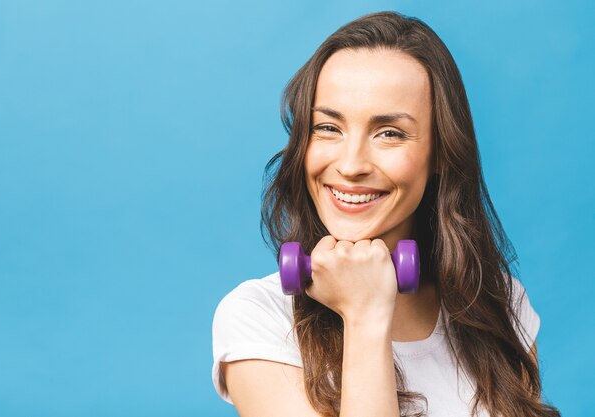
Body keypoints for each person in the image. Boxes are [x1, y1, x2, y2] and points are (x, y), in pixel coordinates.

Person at [211, 10, 561, 417]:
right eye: (327, 128)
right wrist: (364, 315)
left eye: (389, 133)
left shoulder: (502, 303)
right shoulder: (257, 317)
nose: (352, 164)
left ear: (440, 154)